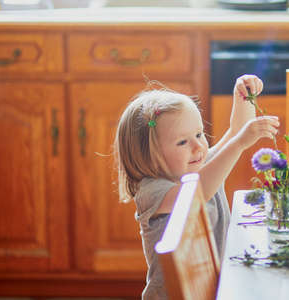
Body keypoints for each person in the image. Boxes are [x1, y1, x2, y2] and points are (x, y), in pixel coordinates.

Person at [115, 74, 279, 300]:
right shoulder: (152, 191)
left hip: (214, 288)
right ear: (149, 156)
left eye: (199, 134)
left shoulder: (198, 165)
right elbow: (194, 195)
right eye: (183, 142)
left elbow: (235, 132)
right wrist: (239, 143)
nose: (198, 146)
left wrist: (243, 97)